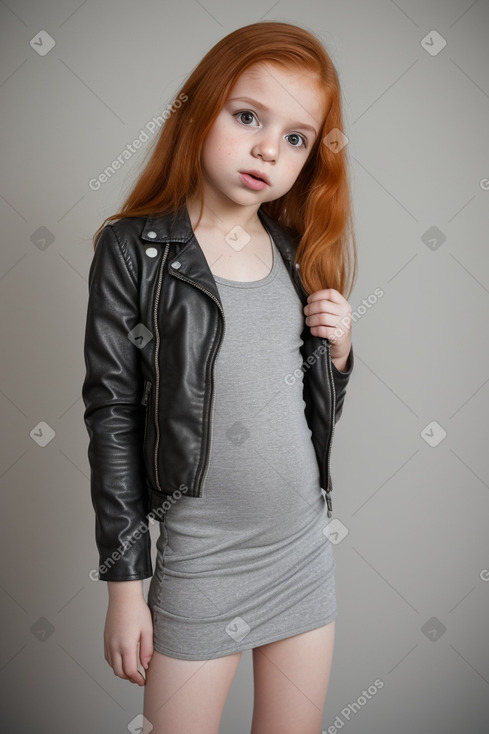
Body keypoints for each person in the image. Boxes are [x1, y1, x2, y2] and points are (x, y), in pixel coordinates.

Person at [82, 20, 357, 734]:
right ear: (199, 109)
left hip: (298, 551)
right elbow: (112, 414)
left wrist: (336, 357)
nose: (269, 148)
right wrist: (124, 585)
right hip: (201, 561)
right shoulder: (133, 250)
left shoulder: (296, 254)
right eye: (247, 117)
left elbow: (296, 409)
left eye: (296, 137)